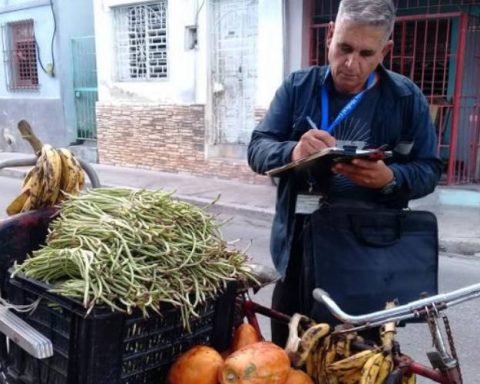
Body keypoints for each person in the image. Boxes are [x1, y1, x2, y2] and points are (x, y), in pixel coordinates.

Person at [247, 0, 442, 346]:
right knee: (287, 362)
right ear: (329, 35)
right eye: (344, 48)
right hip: (297, 255)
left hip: (367, 261)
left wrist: (391, 180)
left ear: (386, 50)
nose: (351, 64)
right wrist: (292, 151)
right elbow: (257, 148)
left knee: (356, 364)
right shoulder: (298, 88)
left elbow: (428, 170)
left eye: (367, 53)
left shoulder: (405, 98)